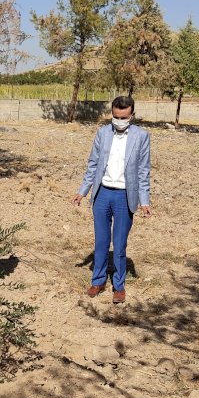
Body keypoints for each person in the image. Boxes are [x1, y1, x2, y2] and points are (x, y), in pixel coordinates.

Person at [72, 95, 152, 304]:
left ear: (132, 115)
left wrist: (144, 201)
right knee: (101, 241)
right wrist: (83, 191)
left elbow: (143, 171)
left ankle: (119, 285)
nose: (119, 121)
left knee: (119, 243)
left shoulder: (141, 137)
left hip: (125, 196)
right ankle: (98, 281)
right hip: (102, 194)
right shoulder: (102, 134)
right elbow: (93, 164)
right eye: (116, 117)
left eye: (124, 117)